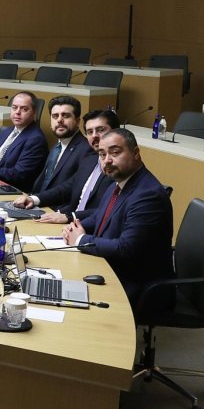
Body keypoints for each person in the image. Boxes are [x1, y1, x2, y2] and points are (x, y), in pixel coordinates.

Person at [63, 128, 174, 304]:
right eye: (102, 154)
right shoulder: (118, 183)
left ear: (136, 153)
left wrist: (80, 239)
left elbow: (126, 248)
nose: (107, 160)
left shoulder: (148, 195)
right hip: (110, 269)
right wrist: (75, 227)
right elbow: (99, 217)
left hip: (136, 286)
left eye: (115, 152)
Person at [14, 107, 118, 223]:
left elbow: (111, 209)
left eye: (100, 130)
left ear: (116, 132)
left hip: (89, 227)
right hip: (70, 223)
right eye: (90, 132)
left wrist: (70, 216)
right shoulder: (90, 159)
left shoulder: (119, 167)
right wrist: (34, 199)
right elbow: (67, 188)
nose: (94, 136)